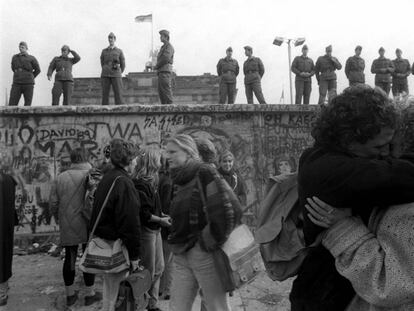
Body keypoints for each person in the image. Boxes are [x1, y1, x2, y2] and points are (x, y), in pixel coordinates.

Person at [289, 85, 414, 311]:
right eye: (379, 146)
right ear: (349, 141)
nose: (387, 152)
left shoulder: (329, 159)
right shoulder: (326, 171)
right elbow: (398, 177)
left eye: (391, 144)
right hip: (326, 296)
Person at [165, 134, 242, 311]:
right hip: (181, 252)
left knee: (217, 307)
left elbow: (232, 209)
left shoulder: (205, 172)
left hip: (204, 254)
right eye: (166, 151)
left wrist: (207, 241)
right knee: (177, 307)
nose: (166, 156)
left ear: (189, 152)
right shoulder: (179, 179)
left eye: (172, 151)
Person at [89, 139, 141, 311]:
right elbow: (130, 223)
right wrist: (134, 256)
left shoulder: (109, 178)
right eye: (135, 159)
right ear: (129, 160)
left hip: (105, 244)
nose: (136, 162)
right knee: (118, 296)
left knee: (109, 292)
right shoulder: (124, 183)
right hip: (117, 248)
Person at [49, 148, 101, 307]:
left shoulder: (60, 178)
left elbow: (53, 204)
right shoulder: (95, 175)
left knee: (70, 258)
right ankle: (90, 294)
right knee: (89, 257)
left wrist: (59, 218)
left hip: (68, 223)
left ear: (71, 159)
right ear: (87, 157)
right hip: (89, 222)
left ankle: (70, 295)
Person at [131, 147, 171, 311]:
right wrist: (161, 219)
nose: (162, 162)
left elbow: (153, 208)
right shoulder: (140, 184)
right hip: (147, 231)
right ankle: (144, 303)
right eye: (159, 159)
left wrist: (162, 215)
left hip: (155, 230)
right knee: (149, 270)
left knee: (159, 268)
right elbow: (144, 214)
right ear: (152, 162)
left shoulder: (152, 181)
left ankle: (152, 303)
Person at [0, 172, 17, 309]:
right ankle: (3, 288)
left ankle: (1, 292)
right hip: (6, 224)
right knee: (5, 254)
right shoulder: (8, 179)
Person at [158, 155, 173, 300]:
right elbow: (166, 206)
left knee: (164, 259)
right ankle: (167, 290)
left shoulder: (161, 178)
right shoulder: (169, 182)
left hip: (161, 226)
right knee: (168, 260)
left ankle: (161, 289)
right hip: (166, 226)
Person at [9, 41, 41, 106]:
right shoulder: (15, 57)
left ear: (26, 48)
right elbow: (13, 68)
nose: (21, 48)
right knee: (12, 104)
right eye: (20, 47)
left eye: (23, 47)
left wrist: (30, 76)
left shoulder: (32, 58)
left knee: (27, 105)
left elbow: (38, 70)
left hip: (28, 84)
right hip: (17, 83)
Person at [100, 32, 125, 105]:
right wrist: (106, 69)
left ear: (115, 39)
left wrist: (119, 72)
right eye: (109, 38)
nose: (111, 40)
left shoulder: (119, 51)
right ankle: (103, 112)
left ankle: (120, 111)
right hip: (105, 74)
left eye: (112, 38)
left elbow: (123, 64)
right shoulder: (104, 51)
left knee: (118, 94)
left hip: (116, 74)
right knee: (105, 94)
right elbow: (102, 62)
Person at [155, 29, 174, 105]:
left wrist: (157, 65)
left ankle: (171, 110)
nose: (160, 37)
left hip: (165, 71)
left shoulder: (169, 46)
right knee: (161, 92)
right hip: (161, 71)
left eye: (161, 36)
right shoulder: (163, 47)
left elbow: (166, 58)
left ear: (166, 37)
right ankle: (164, 109)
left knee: (166, 91)